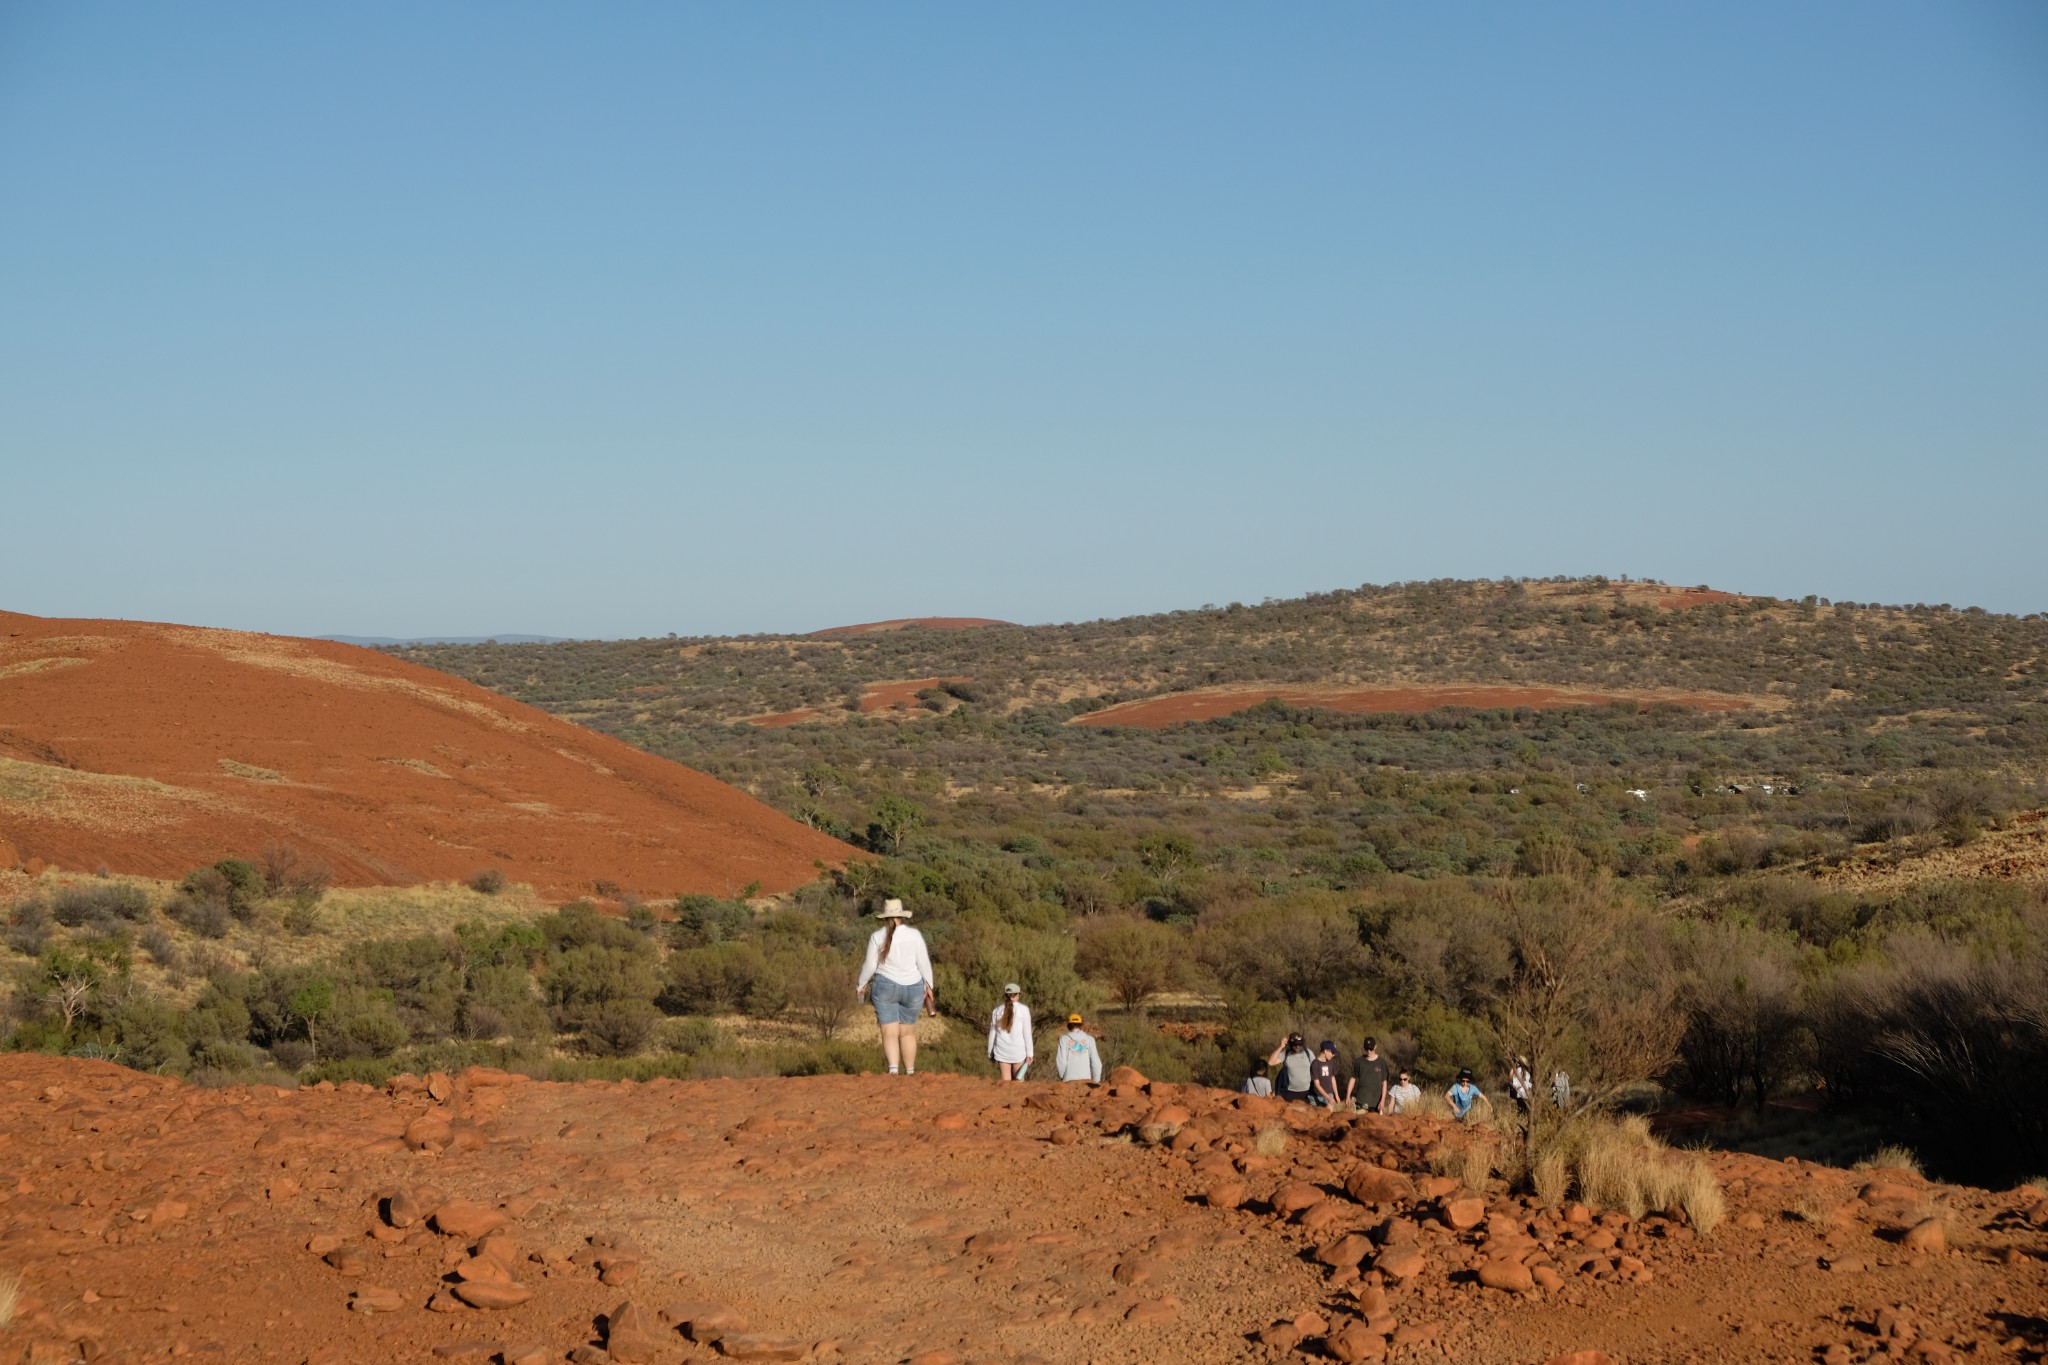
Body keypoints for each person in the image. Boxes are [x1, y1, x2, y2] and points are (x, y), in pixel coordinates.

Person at [855, 899, 935, 1075]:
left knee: (889, 1032)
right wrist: (929, 985)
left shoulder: (877, 936)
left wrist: (861, 985)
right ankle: (910, 1072)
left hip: (885, 986)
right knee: (907, 1032)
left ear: (885, 917)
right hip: (913, 987)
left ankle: (893, 1071)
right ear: (901, 916)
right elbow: (923, 962)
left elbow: (870, 965)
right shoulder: (914, 935)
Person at [987, 982, 1035, 1081]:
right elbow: (1027, 1033)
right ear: (1018, 995)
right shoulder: (1024, 1010)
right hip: (1018, 1052)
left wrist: (990, 1052)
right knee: (1018, 1082)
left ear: (1005, 995)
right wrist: (1030, 1053)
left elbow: (992, 1033)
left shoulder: (996, 1011)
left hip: (1001, 1051)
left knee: (1006, 1083)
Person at [1346, 1036, 1390, 1115]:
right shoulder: (1358, 1062)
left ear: (1375, 1047)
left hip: (1376, 1104)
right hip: (1360, 1101)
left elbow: (1384, 1083)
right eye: (1366, 1049)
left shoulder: (1381, 1063)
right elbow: (1352, 1079)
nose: (1369, 1051)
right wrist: (1348, 1095)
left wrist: (1382, 1100)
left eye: (1371, 1049)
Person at [1054, 1013, 1102, 1083]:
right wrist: (1096, 1080)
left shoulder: (1064, 1039)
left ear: (1069, 1025)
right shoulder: (1089, 1039)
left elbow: (1061, 1062)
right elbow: (1096, 1062)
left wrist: (1062, 1076)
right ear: (1081, 1025)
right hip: (1086, 1081)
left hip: (1068, 1080)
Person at [1268, 1033, 1315, 1104]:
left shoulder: (1308, 1053)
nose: (1297, 1046)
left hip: (1307, 1092)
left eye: (1299, 1044)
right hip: (1290, 1092)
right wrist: (1281, 1047)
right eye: (1295, 1045)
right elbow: (1271, 1062)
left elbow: (1316, 1068)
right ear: (1290, 1044)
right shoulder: (1286, 1053)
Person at [1309, 1039, 1342, 1109]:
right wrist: (1328, 1098)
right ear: (1325, 1051)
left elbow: (1332, 1078)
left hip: (1329, 1093)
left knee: (1329, 1115)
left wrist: (1336, 1095)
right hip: (1315, 1096)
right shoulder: (1315, 1064)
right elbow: (1317, 1085)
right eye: (1332, 1052)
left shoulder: (1331, 1062)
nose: (1333, 1055)